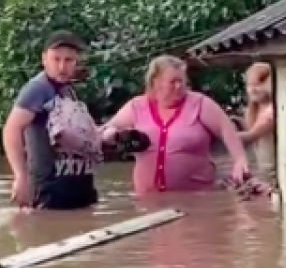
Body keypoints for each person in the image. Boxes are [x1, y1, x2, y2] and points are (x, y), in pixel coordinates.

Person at [99, 55, 250, 196]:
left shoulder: (200, 104)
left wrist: (240, 160)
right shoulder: (137, 106)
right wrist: (112, 134)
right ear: (155, 82)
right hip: (148, 198)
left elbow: (226, 128)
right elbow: (106, 129)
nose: (178, 86)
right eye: (173, 82)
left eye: (182, 81)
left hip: (197, 197)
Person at [2, 31, 101, 210]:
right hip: (49, 193)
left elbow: (88, 136)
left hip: (78, 189)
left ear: (76, 62)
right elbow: (11, 129)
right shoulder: (38, 89)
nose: (62, 66)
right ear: (44, 59)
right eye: (56, 59)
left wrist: (114, 135)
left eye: (69, 60)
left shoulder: (69, 90)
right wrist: (20, 177)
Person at [238, 63, 276, 177]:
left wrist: (219, 134)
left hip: (278, 172)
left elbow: (251, 135)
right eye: (249, 85)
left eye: (258, 84)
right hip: (264, 171)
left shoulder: (273, 109)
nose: (252, 90)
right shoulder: (252, 110)